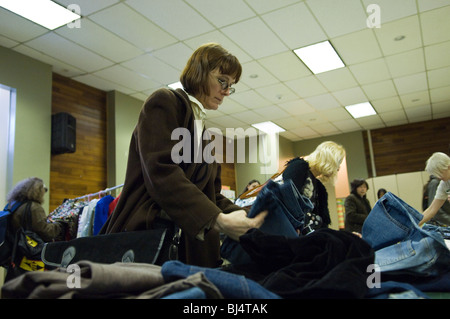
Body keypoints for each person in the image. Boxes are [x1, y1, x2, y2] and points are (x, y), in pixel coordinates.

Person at [101, 43, 267, 268]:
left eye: (231, 86)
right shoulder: (164, 102)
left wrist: (251, 217)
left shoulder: (204, 132)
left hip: (188, 248)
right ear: (199, 73)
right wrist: (218, 220)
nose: (227, 91)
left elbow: (211, 195)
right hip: (150, 239)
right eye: (222, 81)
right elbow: (162, 172)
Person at [282, 141, 346, 231]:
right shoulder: (299, 167)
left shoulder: (319, 187)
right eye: (338, 163)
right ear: (330, 160)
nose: (338, 168)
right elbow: (287, 200)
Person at [6, 177, 63, 242]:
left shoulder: (13, 204)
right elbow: (45, 232)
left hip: (13, 246)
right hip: (28, 248)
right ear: (38, 191)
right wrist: (58, 225)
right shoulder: (34, 208)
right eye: (44, 189)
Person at [419, 152, 450, 227]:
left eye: (440, 172)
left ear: (448, 167)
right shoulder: (444, 183)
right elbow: (431, 210)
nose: (438, 177)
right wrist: (412, 224)